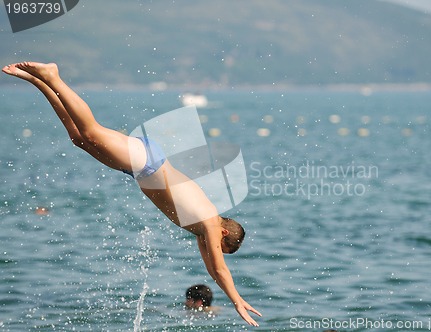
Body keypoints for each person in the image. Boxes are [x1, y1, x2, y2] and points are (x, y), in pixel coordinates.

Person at [2, 62, 261, 327]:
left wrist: (228, 291)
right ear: (225, 234)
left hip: (139, 169)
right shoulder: (208, 223)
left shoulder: (201, 231)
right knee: (91, 132)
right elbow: (220, 269)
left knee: (78, 139)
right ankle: (53, 77)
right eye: (220, 246)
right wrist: (237, 300)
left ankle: (37, 81)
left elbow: (213, 271)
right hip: (147, 161)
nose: (213, 248)